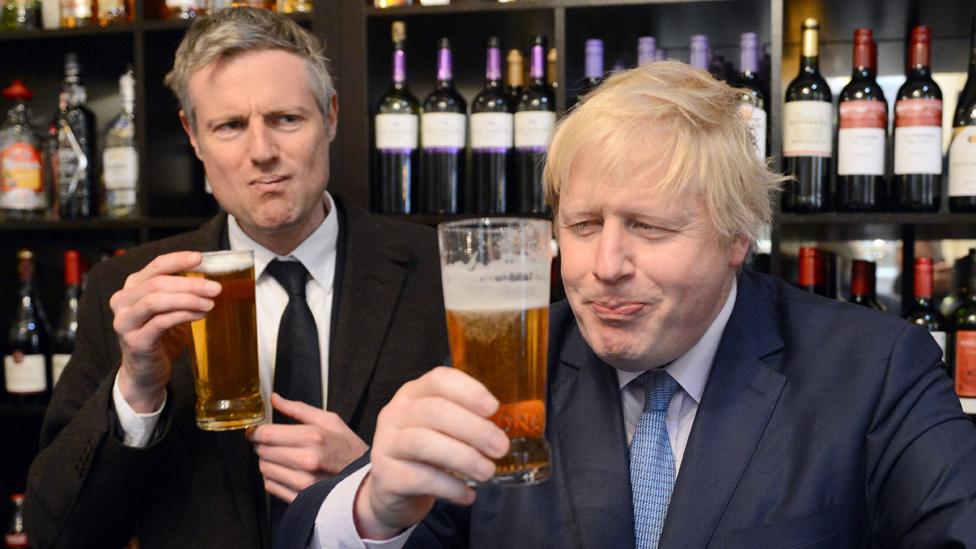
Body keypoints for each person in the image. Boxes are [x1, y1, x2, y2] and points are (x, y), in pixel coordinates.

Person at [276, 61, 976, 548]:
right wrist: (375, 509)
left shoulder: (875, 369)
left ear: (737, 237)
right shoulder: (508, 367)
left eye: (649, 227)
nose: (605, 267)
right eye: (583, 226)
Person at [23, 8, 447, 549]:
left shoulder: (436, 272)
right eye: (229, 126)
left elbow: (515, 505)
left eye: (286, 119)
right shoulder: (126, 290)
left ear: (332, 116)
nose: (262, 152)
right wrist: (136, 387)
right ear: (193, 137)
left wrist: (368, 481)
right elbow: (58, 533)